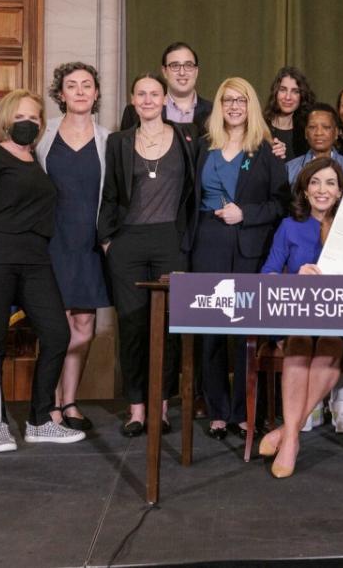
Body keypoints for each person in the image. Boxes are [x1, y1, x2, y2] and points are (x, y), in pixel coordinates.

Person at [0, 89, 85, 452]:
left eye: (34, 119)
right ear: (5, 121)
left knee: (58, 334)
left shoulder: (36, 161)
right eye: (21, 118)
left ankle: (41, 419)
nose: (28, 124)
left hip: (36, 260)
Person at [258, 157, 343, 477]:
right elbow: (268, 275)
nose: (322, 189)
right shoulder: (289, 226)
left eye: (330, 183)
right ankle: (292, 437)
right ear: (304, 190)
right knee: (300, 342)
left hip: (342, 318)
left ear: (340, 190)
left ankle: (287, 435)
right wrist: (296, 277)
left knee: (331, 343)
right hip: (298, 316)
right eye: (315, 182)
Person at [189, 76, 290, 440]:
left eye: (241, 100)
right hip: (208, 244)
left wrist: (245, 213)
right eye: (227, 100)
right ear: (218, 106)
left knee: (246, 334)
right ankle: (217, 410)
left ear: (251, 107)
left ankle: (244, 410)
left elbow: (281, 203)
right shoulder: (204, 147)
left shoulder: (265, 150)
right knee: (212, 332)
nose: (234, 106)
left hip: (250, 246)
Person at [99, 72, 197, 437]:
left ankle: (162, 407)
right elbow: (110, 194)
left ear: (165, 98)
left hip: (170, 241)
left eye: (155, 93)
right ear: (133, 99)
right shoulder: (118, 142)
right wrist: (108, 241)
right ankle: (137, 408)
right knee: (133, 326)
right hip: (128, 243)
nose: (148, 99)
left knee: (170, 326)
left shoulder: (188, 138)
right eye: (141, 94)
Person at [36, 62, 111, 432]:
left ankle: (69, 402)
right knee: (56, 326)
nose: (80, 91)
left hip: (90, 245)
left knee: (84, 326)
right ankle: (47, 403)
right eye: (72, 85)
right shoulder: (41, 136)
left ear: (96, 93)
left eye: (87, 85)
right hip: (52, 242)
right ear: (60, 93)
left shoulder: (109, 140)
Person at [284, 103, 343, 433]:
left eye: (326, 127)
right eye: (313, 127)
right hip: (302, 293)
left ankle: (341, 405)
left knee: (337, 330)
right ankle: (310, 407)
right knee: (303, 336)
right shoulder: (288, 171)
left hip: (342, 286)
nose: (322, 190)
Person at [119, 41, 212, 133]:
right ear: (164, 71)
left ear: (196, 71)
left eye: (188, 65)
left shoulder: (214, 111)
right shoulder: (135, 111)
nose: (182, 73)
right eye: (175, 66)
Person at [286, 103, 343, 191]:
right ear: (306, 133)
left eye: (326, 127)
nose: (319, 133)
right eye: (312, 127)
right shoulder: (289, 169)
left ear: (336, 132)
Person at [262, 66, 315, 160]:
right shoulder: (261, 127)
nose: (287, 97)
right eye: (283, 90)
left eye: (295, 91)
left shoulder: (307, 132)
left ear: (302, 96)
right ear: (275, 92)